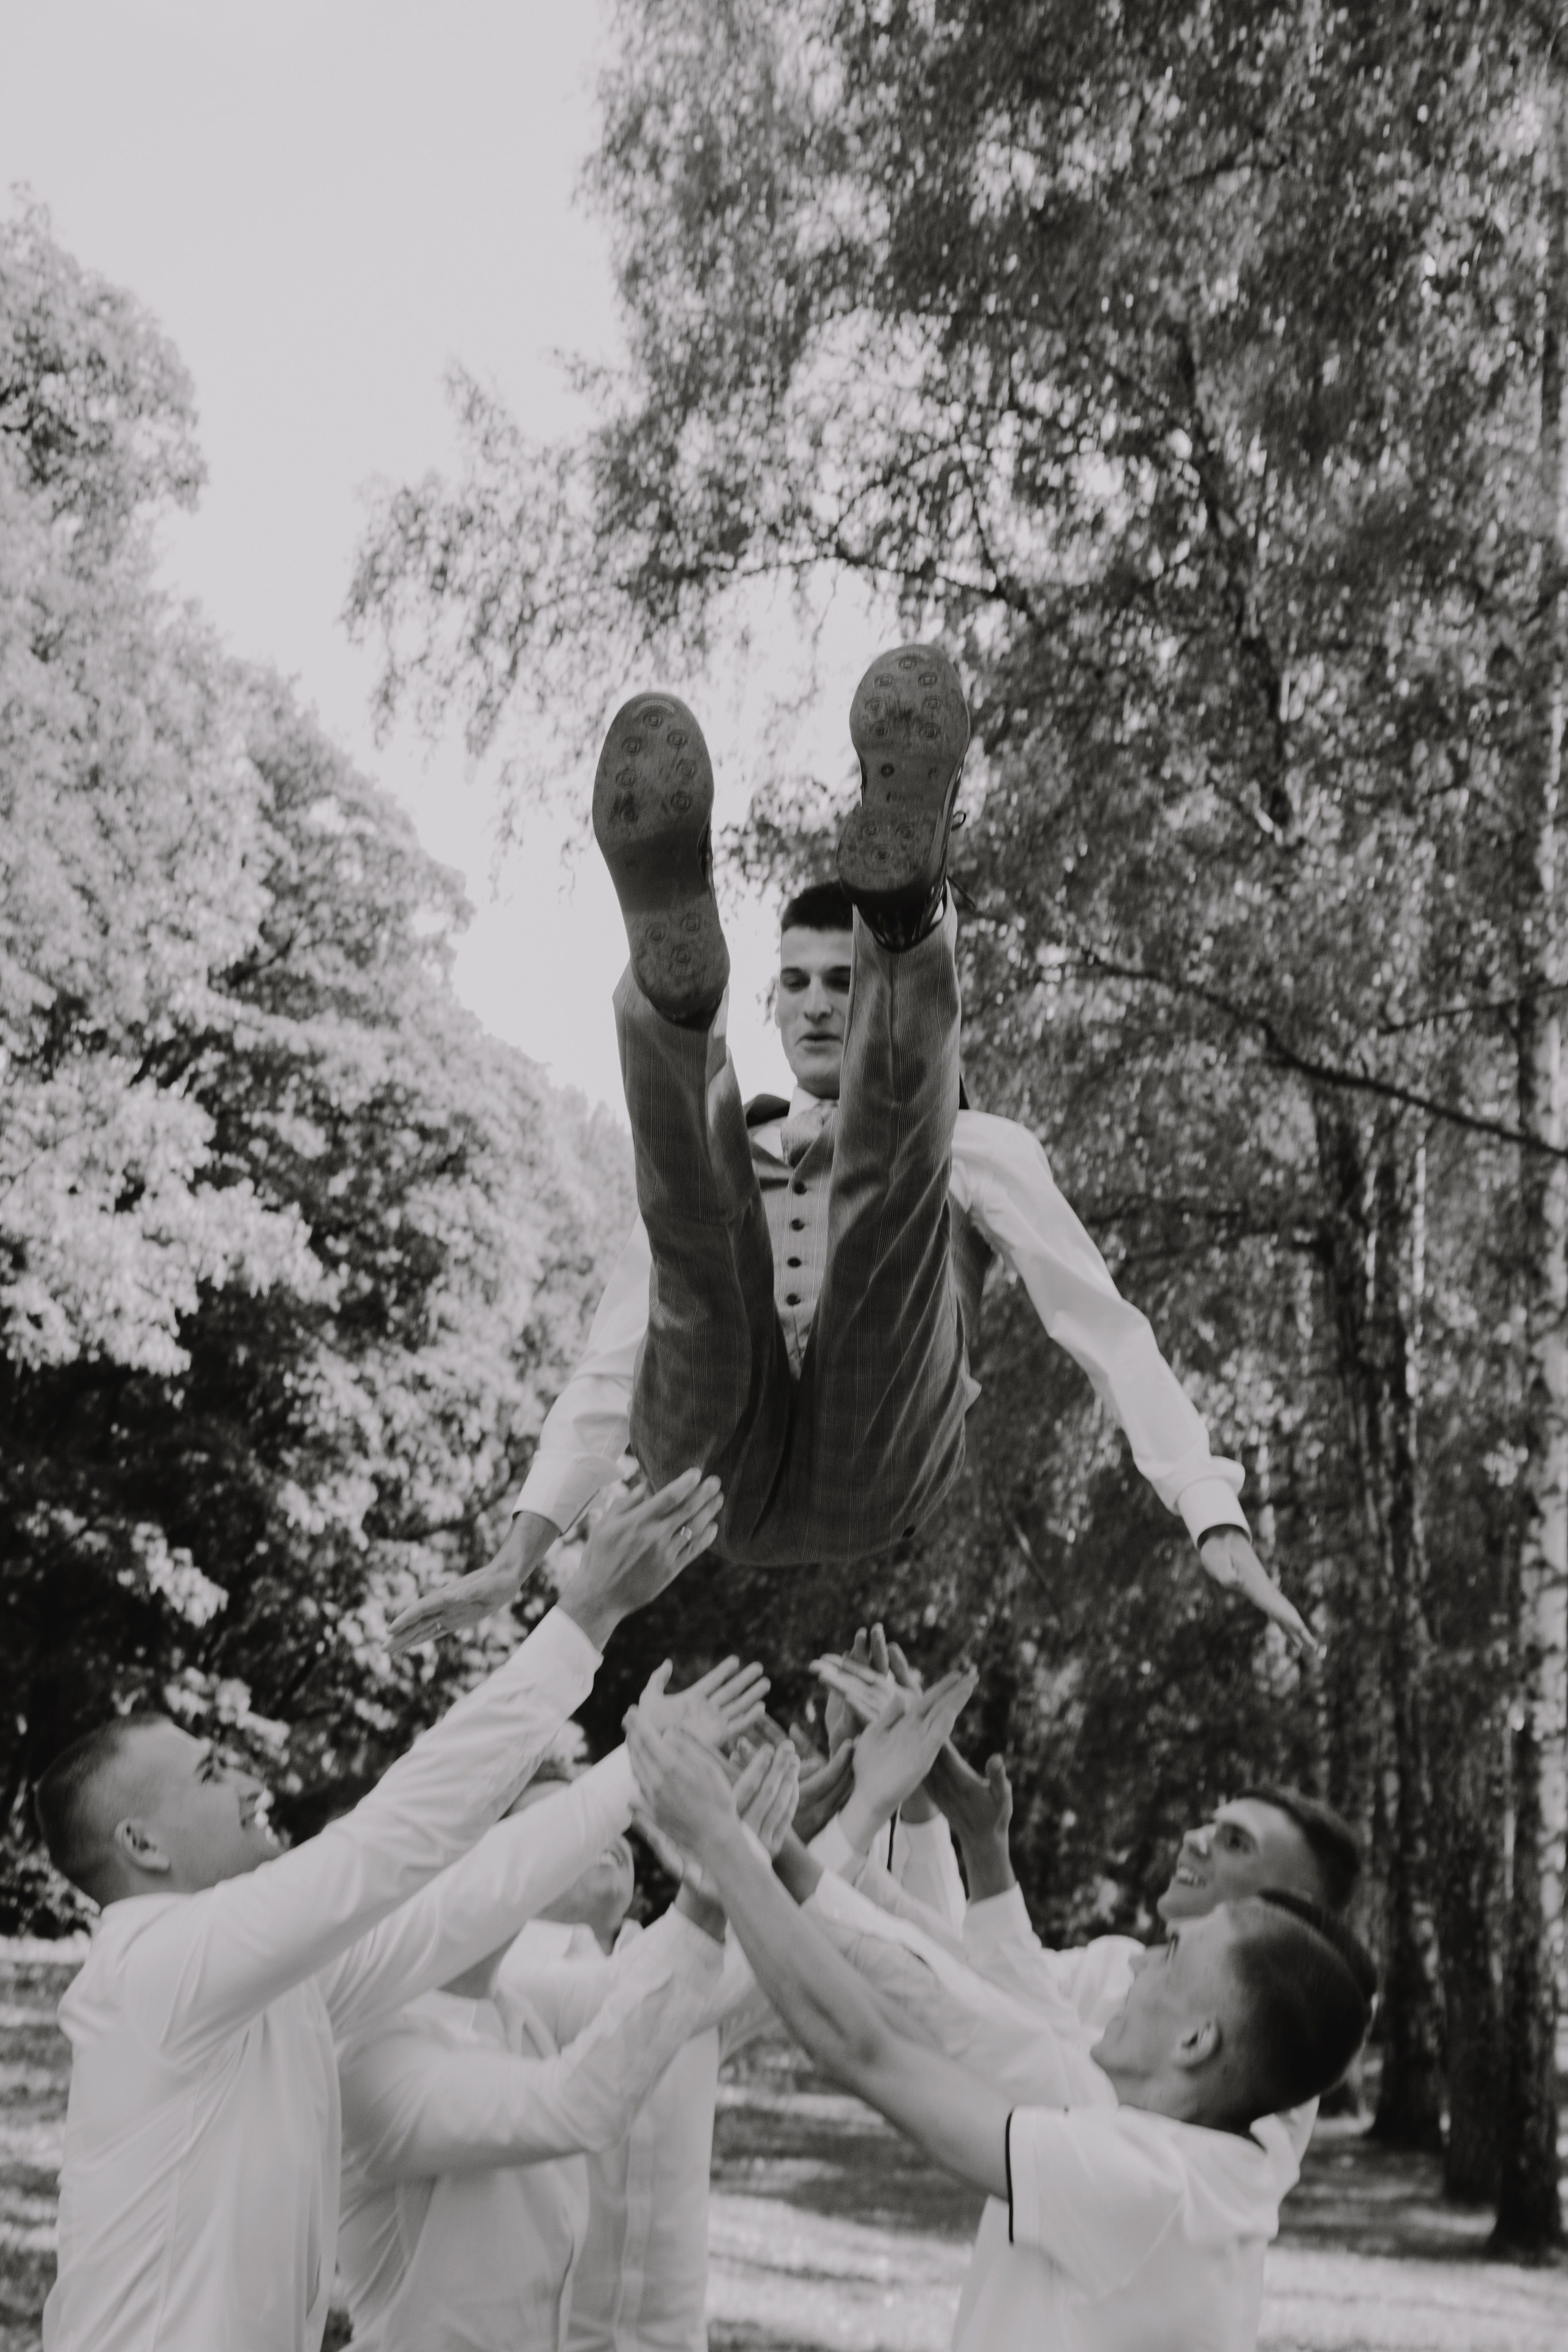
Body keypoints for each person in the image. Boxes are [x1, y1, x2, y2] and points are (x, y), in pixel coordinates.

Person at [393, 650, 1309, 1654]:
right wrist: (519, 1552)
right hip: (713, 1482)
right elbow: (618, 1367)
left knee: (900, 1183)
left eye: (844, 981)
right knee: (693, 1243)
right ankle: (674, 1001)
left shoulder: (977, 1145)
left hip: (875, 1458)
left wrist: (1207, 1505)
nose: (822, 1004)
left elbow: (1098, 1319)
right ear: (771, 1001)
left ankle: (905, 926)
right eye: (802, 984)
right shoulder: (731, 1149)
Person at [34, 1468, 722, 2352]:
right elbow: (392, 1839)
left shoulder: (270, 1985)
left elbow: (459, 1902)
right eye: (211, 1772)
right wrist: (583, 1617)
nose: (250, 1781)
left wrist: (638, 1769)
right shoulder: (157, 1965)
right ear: (143, 1845)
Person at [628, 1712, 1376, 2352]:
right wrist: (780, 1847)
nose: (1136, 1971)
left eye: (1166, 1959)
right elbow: (963, 2005)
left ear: (1195, 2042)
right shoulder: (1198, 2152)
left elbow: (872, 2047)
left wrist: (728, 1844)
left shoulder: (1149, 2184)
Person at [333, 1738, 778, 2352]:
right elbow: (580, 2098)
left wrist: (769, 1839)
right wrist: (718, 1879)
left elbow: (672, 1983)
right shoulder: (377, 2057)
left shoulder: (521, 2016)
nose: (584, 1843)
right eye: (553, 1828)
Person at [492, 1768, 771, 2352]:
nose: (608, 1834)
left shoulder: (687, 1970)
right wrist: (742, 1858)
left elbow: (802, 1958)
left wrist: (869, 1800)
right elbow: (640, 1995)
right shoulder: (500, 1986)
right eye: (571, 1816)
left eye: (610, 1818)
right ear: (503, 1863)